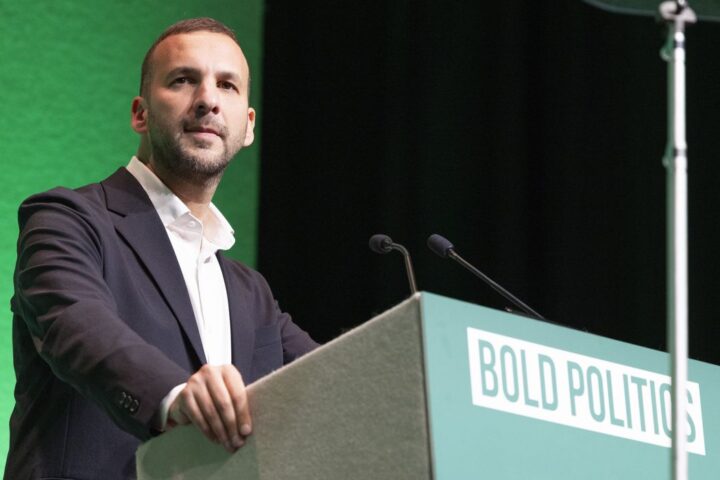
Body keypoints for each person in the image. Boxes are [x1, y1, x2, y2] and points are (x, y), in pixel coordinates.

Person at [5, 17, 318, 479]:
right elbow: (77, 327)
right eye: (183, 80)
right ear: (141, 113)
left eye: (227, 85)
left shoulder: (252, 294)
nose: (208, 100)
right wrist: (175, 395)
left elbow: (331, 378)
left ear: (248, 125)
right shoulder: (67, 221)